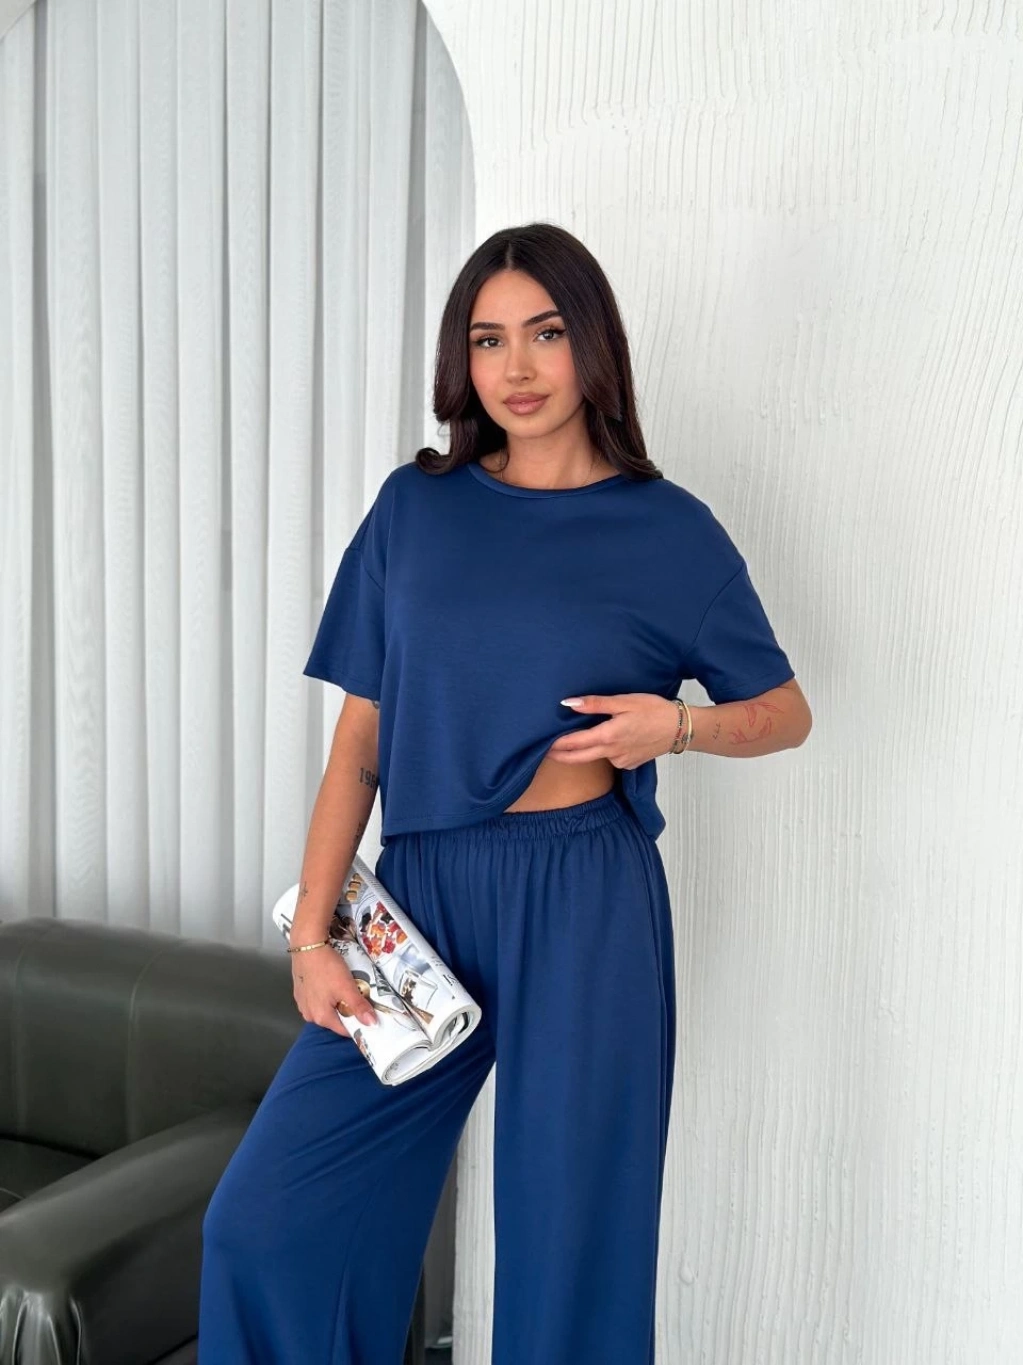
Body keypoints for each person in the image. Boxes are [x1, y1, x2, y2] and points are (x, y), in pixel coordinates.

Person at [197, 222, 813, 1364]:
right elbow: (360, 742)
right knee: (269, 1222)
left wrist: (675, 726)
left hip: (585, 900)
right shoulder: (415, 509)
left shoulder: (668, 530)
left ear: (593, 348)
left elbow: (783, 710)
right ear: (462, 359)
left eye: (546, 333)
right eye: (488, 340)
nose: (517, 368)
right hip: (422, 895)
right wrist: (313, 938)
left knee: (565, 1250)